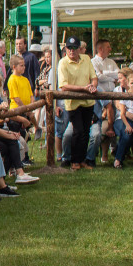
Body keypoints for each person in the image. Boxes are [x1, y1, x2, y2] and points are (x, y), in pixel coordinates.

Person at [58, 36, 98, 170]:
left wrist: (93, 86)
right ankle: (74, 160)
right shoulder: (63, 63)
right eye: (69, 48)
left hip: (88, 101)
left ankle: (82, 160)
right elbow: (63, 86)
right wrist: (83, 88)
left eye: (74, 48)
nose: (72, 51)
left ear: (79, 49)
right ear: (65, 49)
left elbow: (94, 76)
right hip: (73, 103)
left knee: (86, 131)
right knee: (78, 131)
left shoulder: (86, 58)